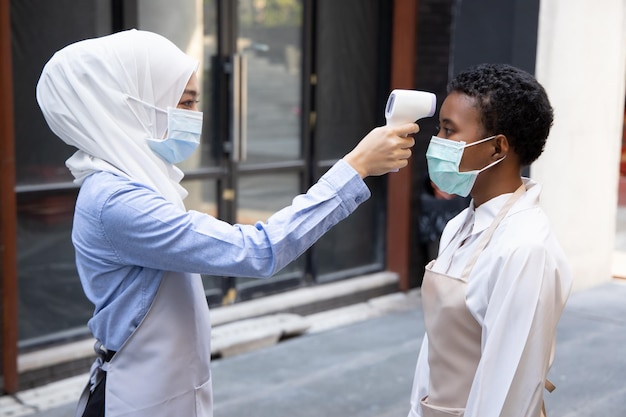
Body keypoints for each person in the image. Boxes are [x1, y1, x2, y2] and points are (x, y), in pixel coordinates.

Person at [35, 29, 419, 417]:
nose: (193, 117)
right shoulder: (118, 201)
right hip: (136, 397)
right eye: (182, 102)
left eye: (194, 102)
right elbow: (257, 251)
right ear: (127, 106)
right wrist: (355, 168)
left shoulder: (133, 181)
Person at [407, 63, 573, 417]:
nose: (437, 143)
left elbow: (510, 387)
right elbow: (436, 348)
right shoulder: (458, 225)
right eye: (440, 129)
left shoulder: (525, 247)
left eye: (450, 132)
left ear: (497, 148)